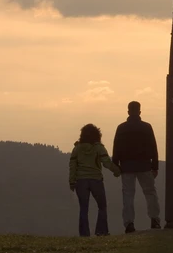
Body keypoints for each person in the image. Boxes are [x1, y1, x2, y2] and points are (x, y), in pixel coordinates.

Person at [112, 101, 162, 232]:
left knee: (128, 195)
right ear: (140, 111)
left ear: (128, 111)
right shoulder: (146, 127)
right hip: (144, 165)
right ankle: (155, 220)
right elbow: (153, 146)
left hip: (127, 166)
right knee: (150, 193)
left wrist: (115, 166)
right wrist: (155, 166)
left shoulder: (121, 128)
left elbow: (116, 147)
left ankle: (129, 224)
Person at [69, 123, 121, 237]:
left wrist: (72, 181)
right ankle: (101, 231)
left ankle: (84, 234)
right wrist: (117, 171)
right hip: (96, 180)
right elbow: (107, 163)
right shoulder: (99, 148)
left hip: (80, 181)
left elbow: (72, 165)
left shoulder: (77, 148)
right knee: (102, 206)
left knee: (83, 208)